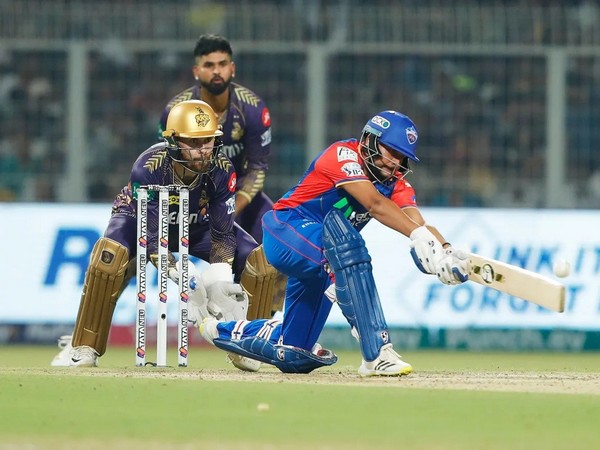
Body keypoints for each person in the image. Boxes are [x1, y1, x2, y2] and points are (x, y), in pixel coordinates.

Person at [193, 110, 470, 377]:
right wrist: (416, 236)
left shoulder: (396, 183)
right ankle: (377, 353)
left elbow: (416, 222)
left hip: (322, 260)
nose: (395, 163)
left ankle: (223, 330)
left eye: (402, 157)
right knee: (349, 247)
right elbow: (375, 205)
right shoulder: (343, 155)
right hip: (287, 231)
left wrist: (443, 249)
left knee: (294, 354)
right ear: (370, 140)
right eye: (391, 152)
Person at [52, 100, 259, 369]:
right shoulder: (148, 167)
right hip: (137, 218)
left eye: (207, 141)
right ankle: (83, 345)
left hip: (195, 224)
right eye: (193, 143)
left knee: (258, 261)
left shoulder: (222, 170)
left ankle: (247, 342)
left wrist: (218, 282)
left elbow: (222, 234)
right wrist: (179, 273)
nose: (202, 152)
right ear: (173, 140)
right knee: (108, 258)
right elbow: (150, 239)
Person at [159, 34, 273, 244]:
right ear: (196, 71)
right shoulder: (175, 111)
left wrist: (230, 211)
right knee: (136, 248)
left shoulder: (253, 109)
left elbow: (258, 168)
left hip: (240, 195)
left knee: (274, 248)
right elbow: (166, 165)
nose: (217, 71)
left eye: (222, 64)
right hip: (188, 198)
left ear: (232, 68)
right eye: (209, 65)